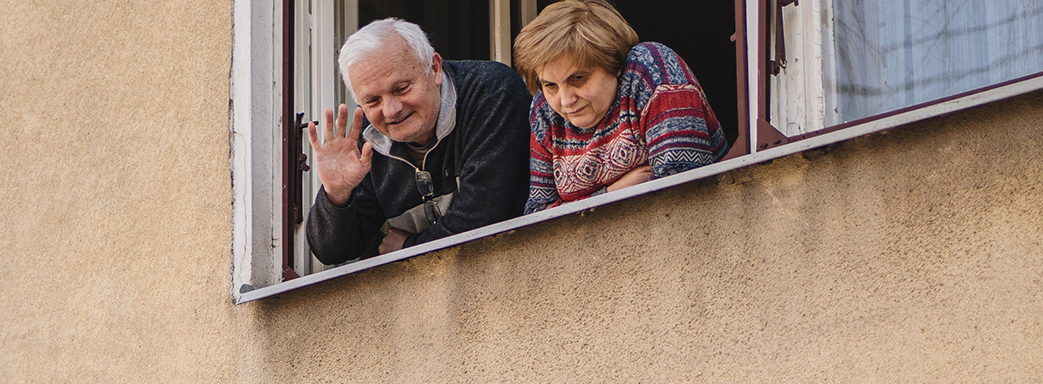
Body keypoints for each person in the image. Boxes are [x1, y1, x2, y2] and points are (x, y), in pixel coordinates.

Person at [306, 19, 532, 266]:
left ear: (434, 68)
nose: (391, 111)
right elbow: (332, 252)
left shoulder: (491, 91)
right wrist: (337, 196)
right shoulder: (367, 146)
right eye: (372, 101)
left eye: (402, 88)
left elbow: (483, 221)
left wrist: (407, 248)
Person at [517, 0, 728, 211]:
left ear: (614, 63)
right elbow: (537, 213)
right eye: (551, 85)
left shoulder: (651, 69)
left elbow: (683, 184)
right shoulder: (544, 110)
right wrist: (614, 192)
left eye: (578, 78)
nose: (565, 100)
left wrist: (581, 207)